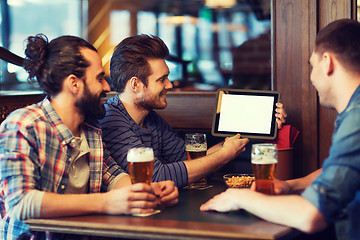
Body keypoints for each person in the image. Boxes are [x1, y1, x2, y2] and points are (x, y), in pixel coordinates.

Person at [0, 34, 178, 240]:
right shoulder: (24, 125)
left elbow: (112, 175)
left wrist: (148, 193)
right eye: (99, 78)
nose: (107, 87)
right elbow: (21, 203)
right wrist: (107, 202)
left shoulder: (90, 127)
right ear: (74, 84)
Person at [200, 18, 360, 240]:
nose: (312, 77)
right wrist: (289, 185)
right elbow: (341, 173)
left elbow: (311, 216)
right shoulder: (353, 110)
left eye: (312, 66)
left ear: (327, 62)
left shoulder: (356, 118)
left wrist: (239, 198)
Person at [100, 34, 287, 188]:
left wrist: (261, 125)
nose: (170, 85)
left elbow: (189, 160)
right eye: (161, 79)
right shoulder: (111, 119)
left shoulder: (151, 119)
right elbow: (156, 177)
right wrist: (224, 155)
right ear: (136, 84)